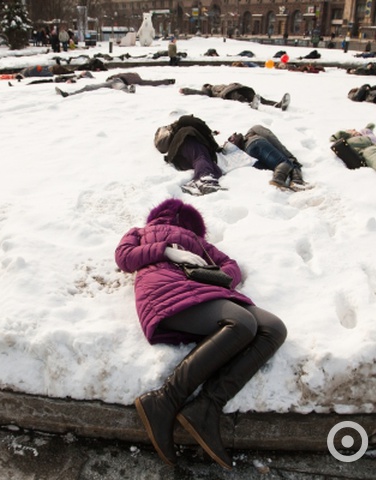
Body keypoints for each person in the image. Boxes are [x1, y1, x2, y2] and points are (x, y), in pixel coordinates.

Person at [114, 198, 287, 469]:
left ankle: (206, 406)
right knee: (241, 323)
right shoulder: (139, 232)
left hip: (206, 291)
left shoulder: (200, 244)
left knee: (273, 328)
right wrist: (168, 252)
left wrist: (210, 273)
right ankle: (164, 400)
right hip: (164, 291)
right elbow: (124, 258)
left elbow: (232, 266)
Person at [155, 115, 224, 195]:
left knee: (212, 166)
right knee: (201, 157)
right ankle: (203, 180)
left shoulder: (178, 132)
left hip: (181, 159)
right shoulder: (186, 128)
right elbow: (198, 124)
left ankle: (205, 180)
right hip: (187, 142)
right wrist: (209, 133)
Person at [227, 125, 309, 191]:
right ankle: (279, 181)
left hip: (249, 152)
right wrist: (288, 155)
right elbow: (271, 138)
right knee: (286, 162)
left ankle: (296, 181)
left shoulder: (243, 143)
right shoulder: (256, 128)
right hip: (257, 142)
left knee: (280, 166)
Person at [180, 82, 291, 111]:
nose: (209, 85)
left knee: (254, 95)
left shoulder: (216, 85)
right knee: (237, 97)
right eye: (207, 85)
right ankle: (250, 104)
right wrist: (186, 90)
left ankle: (277, 104)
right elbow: (199, 92)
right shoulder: (210, 91)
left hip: (236, 86)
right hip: (228, 92)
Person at [55, 77, 136, 97]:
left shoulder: (119, 80)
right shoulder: (114, 79)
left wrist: (130, 88)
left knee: (88, 87)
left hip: (118, 81)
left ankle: (68, 94)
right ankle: (69, 94)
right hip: (110, 82)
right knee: (88, 87)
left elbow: (122, 87)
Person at [105, 71, 175, 87]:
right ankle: (167, 81)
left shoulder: (116, 77)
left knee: (151, 83)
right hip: (135, 77)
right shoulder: (119, 75)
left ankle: (167, 81)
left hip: (129, 80)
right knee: (151, 82)